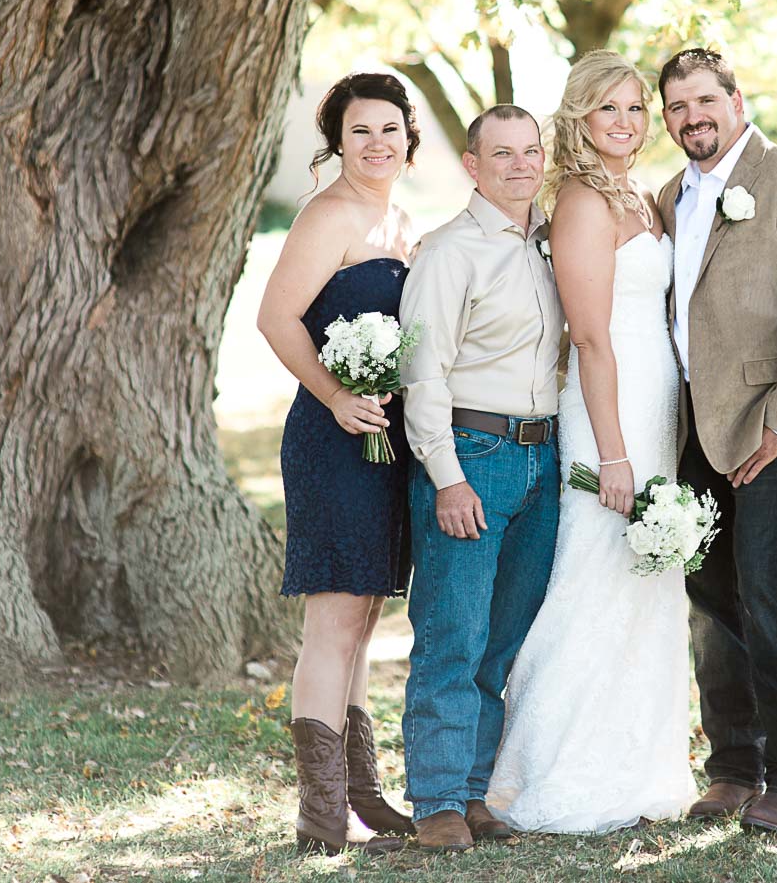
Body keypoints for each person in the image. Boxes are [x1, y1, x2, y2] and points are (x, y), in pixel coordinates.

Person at [486, 50, 695, 832]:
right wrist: (613, 454)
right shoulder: (579, 200)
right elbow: (590, 337)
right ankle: (560, 770)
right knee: (594, 572)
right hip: (607, 411)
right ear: (579, 117)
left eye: (638, 108)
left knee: (646, 581)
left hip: (654, 404)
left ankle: (640, 767)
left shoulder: (641, 194)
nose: (628, 122)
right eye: (610, 108)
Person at [657, 47, 777, 835]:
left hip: (766, 420)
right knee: (707, 592)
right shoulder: (670, 194)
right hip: (686, 423)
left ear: (736, 99)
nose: (691, 117)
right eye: (676, 107)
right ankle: (735, 762)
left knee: (763, 585)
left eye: (704, 100)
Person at [256, 72, 418, 855]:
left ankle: (365, 794)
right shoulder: (331, 214)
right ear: (339, 140)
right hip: (333, 439)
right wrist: (331, 395)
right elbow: (275, 316)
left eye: (390, 128)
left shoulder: (401, 218)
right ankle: (322, 818)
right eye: (361, 131)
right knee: (335, 620)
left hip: (384, 443)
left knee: (366, 614)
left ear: (409, 137)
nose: (377, 143)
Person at [398, 105, 564, 852]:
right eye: (503, 154)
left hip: (541, 458)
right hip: (473, 454)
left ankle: (472, 793)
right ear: (472, 164)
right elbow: (421, 370)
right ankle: (434, 799)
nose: (521, 165)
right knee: (451, 633)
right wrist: (446, 476)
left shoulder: (546, 244)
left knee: (502, 640)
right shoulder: (450, 251)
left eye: (531, 151)